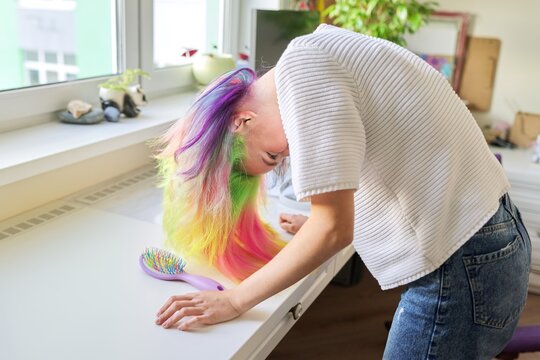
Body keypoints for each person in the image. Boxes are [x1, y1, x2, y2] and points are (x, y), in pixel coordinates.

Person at [154, 24, 532, 359]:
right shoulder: (318, 52)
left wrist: (235, 299)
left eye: (272, 155)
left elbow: (334, 231)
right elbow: (388, 158)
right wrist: (321, 218)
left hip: (464, 267)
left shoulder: (305, 74)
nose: (286, 153)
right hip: (489, 243)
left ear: (242, 121)